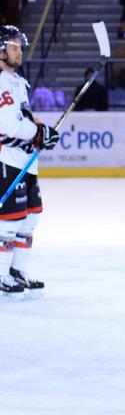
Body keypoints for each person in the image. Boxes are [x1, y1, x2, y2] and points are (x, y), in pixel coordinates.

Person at [0, 25, 59, 297]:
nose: (20, 51)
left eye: (19, 46)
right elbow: (8, 124)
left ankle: (17, 271)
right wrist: (38, 132)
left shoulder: (17, 81)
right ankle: (1, 274)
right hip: (8, 160)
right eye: (14, 46)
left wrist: (41, 131)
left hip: (25, 161)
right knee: (9, 220)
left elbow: (24, 118)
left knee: (31, 216)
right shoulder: (1, 81)